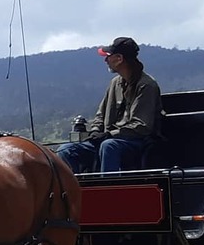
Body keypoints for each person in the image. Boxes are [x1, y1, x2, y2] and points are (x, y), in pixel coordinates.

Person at [57, 37, 162, 173]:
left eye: (108, 56)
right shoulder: (114, 83)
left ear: (119, 58)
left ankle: (107, 184)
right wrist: (95, 131)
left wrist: (108, 135)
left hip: (136, 142)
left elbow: (141, 126)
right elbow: (100, 115)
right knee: (66, 150)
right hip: (108, 140)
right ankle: (74, 185)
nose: (105, 60)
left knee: (109, 146)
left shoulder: (146, 85)